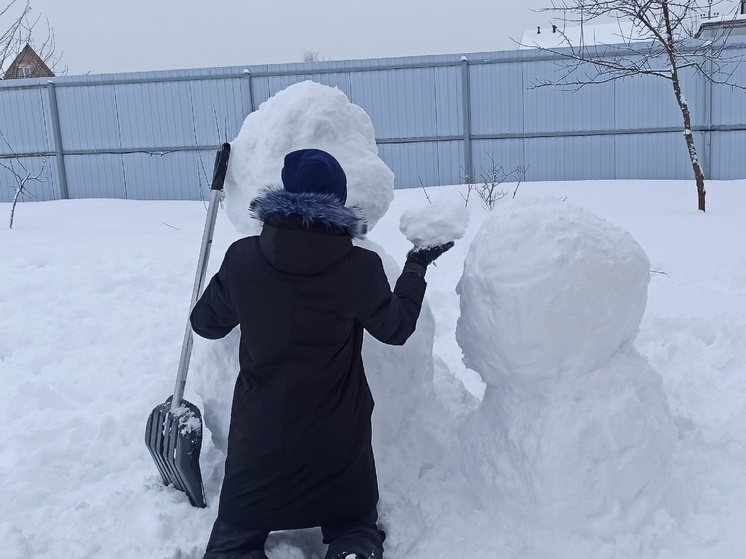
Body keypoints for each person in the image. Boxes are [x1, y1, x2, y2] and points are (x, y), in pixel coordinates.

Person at [190, 148, 453, 559]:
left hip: (259, 440)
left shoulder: (243, 259)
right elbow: (397, 328)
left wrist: (236, 288)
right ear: (337, 200)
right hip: (337, 439)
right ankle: (351, 546)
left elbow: (206, 324)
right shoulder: (359, 267)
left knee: (235, 534)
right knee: (353, 523)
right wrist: (416, 267)